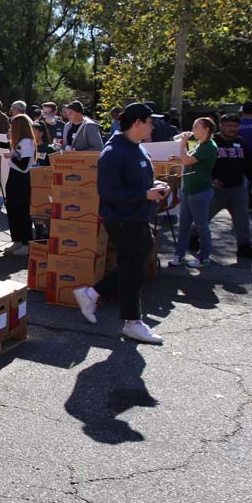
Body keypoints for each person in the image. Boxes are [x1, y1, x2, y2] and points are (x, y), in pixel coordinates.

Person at [71, 103, 169, 344]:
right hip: (124, 219)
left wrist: (156, 185)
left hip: (138, 217)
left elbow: (137, 180)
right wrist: (144, 194)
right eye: (149, 121)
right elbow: (108, 191)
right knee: (133, 270)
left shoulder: (137, 148)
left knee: (131, 265)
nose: (152, 126)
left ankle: (91, 294)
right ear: (137, 123)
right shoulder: (113, 152)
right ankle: (132, 321)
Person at [207, 113, 252, 261]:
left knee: (242, 221)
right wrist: (210, 179)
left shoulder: (241, 143)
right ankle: (194, 238)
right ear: (221, 126)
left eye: (235, 126)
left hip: (237, 189)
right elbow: (201, 164)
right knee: (204, 218)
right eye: (229, 126)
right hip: (216, 190)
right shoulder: (211, 142)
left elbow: (248, 164)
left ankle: (245, 248)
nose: (232, 129)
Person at [169, 117, 219, 268]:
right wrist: (179, 158)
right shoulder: (198, 144)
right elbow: (189, 159)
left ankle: (204, 257)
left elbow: (189, 161)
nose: (193, 129)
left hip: (200, 190)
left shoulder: (209, 145)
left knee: (201, 225)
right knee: (184, 224)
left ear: (206, 129)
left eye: (196, 127)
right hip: (189, 188)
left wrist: (183, 145)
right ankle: (179, 255)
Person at [0, 114, 36, 255]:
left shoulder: (26, 141)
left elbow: (24, 165)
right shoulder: (19, 140)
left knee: (22, 211)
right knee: (12, 209)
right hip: (14, 177)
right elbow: (8, 145)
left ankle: (26, 243)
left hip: (21, 179)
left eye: (12, 125)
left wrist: (11, 157)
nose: (10, 128)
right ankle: (17, 240)